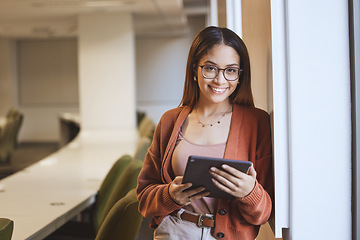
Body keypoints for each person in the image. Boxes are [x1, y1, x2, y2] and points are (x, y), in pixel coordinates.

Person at [136, 26, 273, 240]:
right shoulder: (170, 121)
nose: (220, 80)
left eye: (230, 70)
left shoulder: (258, 122)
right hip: (174, 231)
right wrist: (169, 195)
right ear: (194, 69)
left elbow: (264, 213)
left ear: (239, 75)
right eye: (210, 68)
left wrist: (250, 192)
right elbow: (144, 199)